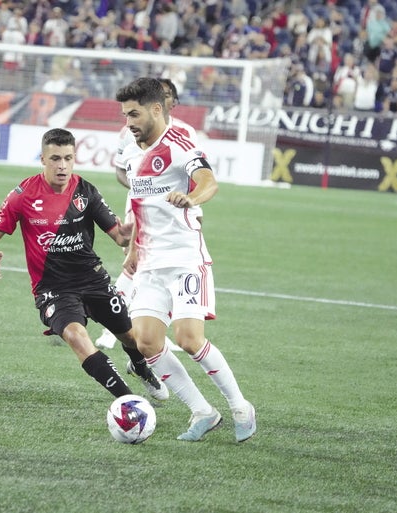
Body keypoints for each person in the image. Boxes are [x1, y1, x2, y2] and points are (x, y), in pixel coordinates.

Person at [0, 128, 168, 404]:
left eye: (68, 158)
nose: (62, 166)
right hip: (53, 288)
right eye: (55, 158)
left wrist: (135, 225)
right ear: (43, 158)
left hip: (93, 280)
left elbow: (119, 236)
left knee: (130, 337)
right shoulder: (23, 195)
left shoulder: (86, 191)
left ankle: (139, 366)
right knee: (77, 337)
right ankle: (129, 401)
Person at [115, 77, 256, 443]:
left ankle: (240, 405)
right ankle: (202, 411)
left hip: (184, 260)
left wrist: (193, 198)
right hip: (148, 262)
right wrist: (132, 252)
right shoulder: (132, 154)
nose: (128, 122)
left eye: (134, 114)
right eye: (125, 115)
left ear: (157, 109)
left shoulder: (179, 144)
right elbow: (139, 205)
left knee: (189, 339)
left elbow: (208, 180)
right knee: (146, 343)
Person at [95, 78, 195, 352]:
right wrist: (148, 188)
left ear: (171, 102)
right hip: (142, 207)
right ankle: (110, 328)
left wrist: (192, 206)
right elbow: (120, 171)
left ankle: (155, 330)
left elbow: (193, 177)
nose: (163, 99)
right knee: (135, 263)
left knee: (167, 267)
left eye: (168, 95)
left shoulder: (187, 133)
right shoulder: (130, 130)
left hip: (175, 213)